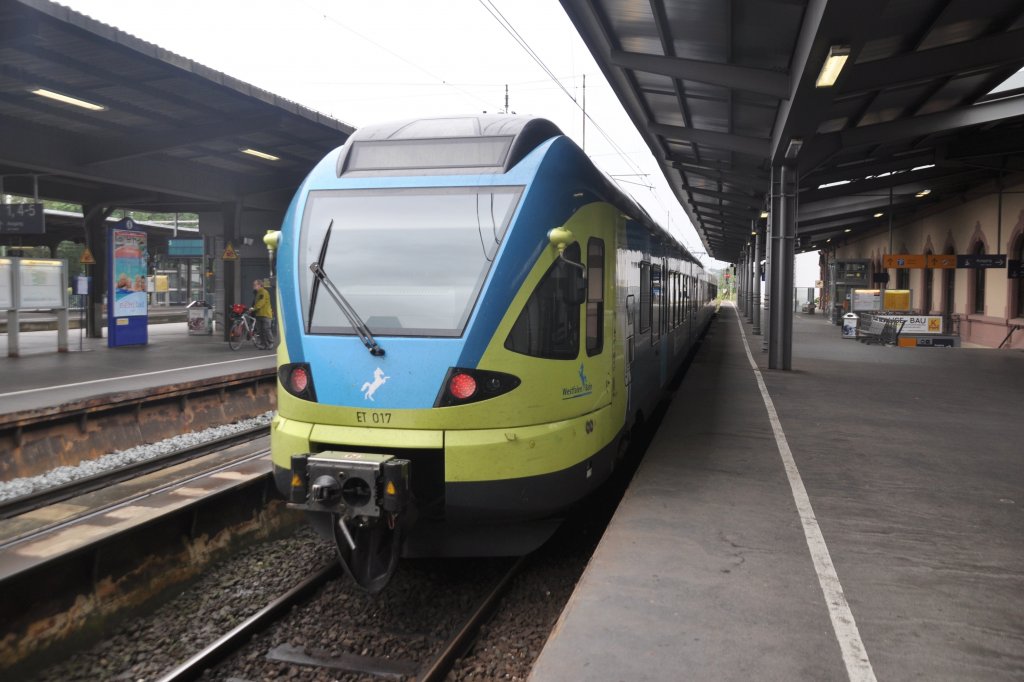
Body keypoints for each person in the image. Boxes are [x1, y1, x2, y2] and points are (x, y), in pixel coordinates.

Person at [251, 279, 275, 349]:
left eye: (255, 285)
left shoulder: (263, 292)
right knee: (260, 330)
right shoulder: (257, 293)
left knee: (266, 329)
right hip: (259, 314)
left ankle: (271, 343)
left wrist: (254, 308)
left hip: (265, 314)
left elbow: (261, 302)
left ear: (259, 285)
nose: (253, 286)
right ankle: (264, 344)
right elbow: (256, 302)